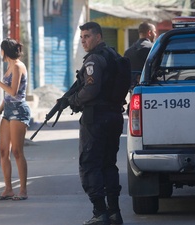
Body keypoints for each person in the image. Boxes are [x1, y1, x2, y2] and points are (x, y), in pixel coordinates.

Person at [68, 22, 124, 225]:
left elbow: (91, 89)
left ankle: (100, 212)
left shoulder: (93, 60)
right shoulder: (112, 55)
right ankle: (114, 212)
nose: (84, 40)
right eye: (81, 37)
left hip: (97, 118)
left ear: (98, 37)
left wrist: (74, 100)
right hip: (114, 115)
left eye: (87, 36)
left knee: (90, 164)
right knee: (108, 164)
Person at [0, 38, 31, 201]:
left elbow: (13, 91)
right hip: (7, 111)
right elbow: (7, 95)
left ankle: (23, 190)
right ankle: (8, 189)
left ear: (4, 51)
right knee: (3, 151)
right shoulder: (9, 66)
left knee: (17, 151)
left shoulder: (18, 66)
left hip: (19, 111)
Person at [124, 21, 156, 87]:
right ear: (149, 32)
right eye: (154, 32)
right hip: (150, 88)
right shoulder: (153, 49)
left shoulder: (128, 52)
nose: (155, 34)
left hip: (133, 90)